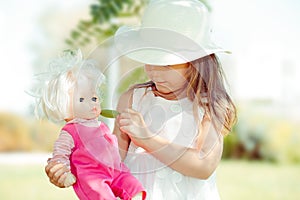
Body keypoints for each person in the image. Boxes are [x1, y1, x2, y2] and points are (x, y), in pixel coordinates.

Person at [45, 0, 237, 199]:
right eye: (149, 60)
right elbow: (111, 162)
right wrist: (72, 168)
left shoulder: (208, 106)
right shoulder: (133, 99)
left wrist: (147, 138)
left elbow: (204, 166)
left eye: (166, 64)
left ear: (197, 63)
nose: (154, 71)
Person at [38, 50, 146, 200]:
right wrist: (63, 170)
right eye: (82, 99)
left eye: (94, 97)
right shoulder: (71, 131)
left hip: (116, 170)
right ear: (64, 105)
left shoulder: (101, 126)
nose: (93, 103)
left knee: (134, 187)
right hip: (92, 177)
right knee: (102, 195)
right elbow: (60, 153)